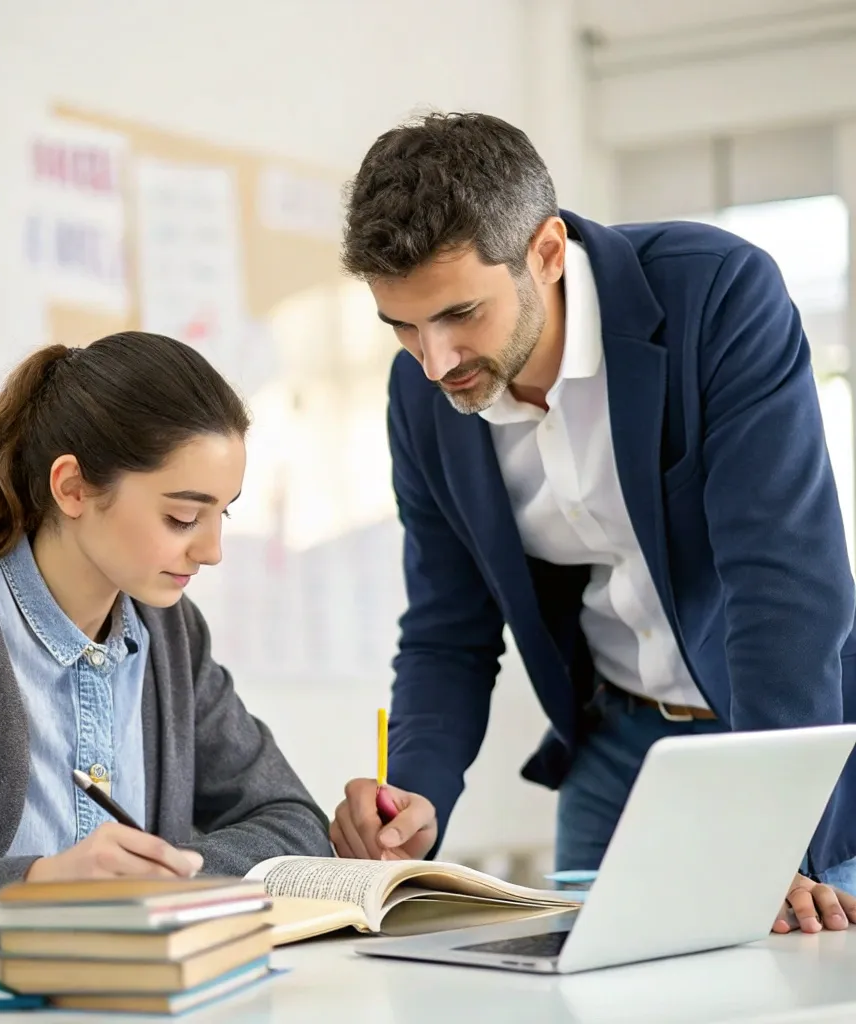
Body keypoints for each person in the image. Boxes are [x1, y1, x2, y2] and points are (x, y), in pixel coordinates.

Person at [330, 112, 856, 936]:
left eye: (460, 313)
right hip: (618, 750)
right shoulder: (423, 402)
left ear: (545, 252)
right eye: (402, 325)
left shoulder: (715, 296)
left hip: (787, 738)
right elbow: (447, 630)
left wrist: (779, 828)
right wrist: (415, 794)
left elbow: (783, 581)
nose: (433, 361)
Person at [0, 332, 332, 942]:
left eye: (220, 515)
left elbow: (294, 821)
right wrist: (36, 887)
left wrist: (162, 878)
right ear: (71, 487)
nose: (211, 551)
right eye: (181, 517)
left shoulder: (171, 636)